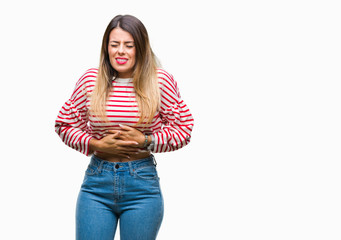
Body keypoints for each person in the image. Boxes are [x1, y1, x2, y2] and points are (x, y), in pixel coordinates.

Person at [55, 14, 194, 240]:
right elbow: (64, 124)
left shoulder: (160, 81)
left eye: (129, 45)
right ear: (106, 48)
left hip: (142, 185)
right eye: (114, 44)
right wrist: (95, 144)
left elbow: (183, 128)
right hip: (97, 184)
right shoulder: (91, 80)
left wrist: (146, 141)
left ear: (140, 48)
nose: (121, 51)